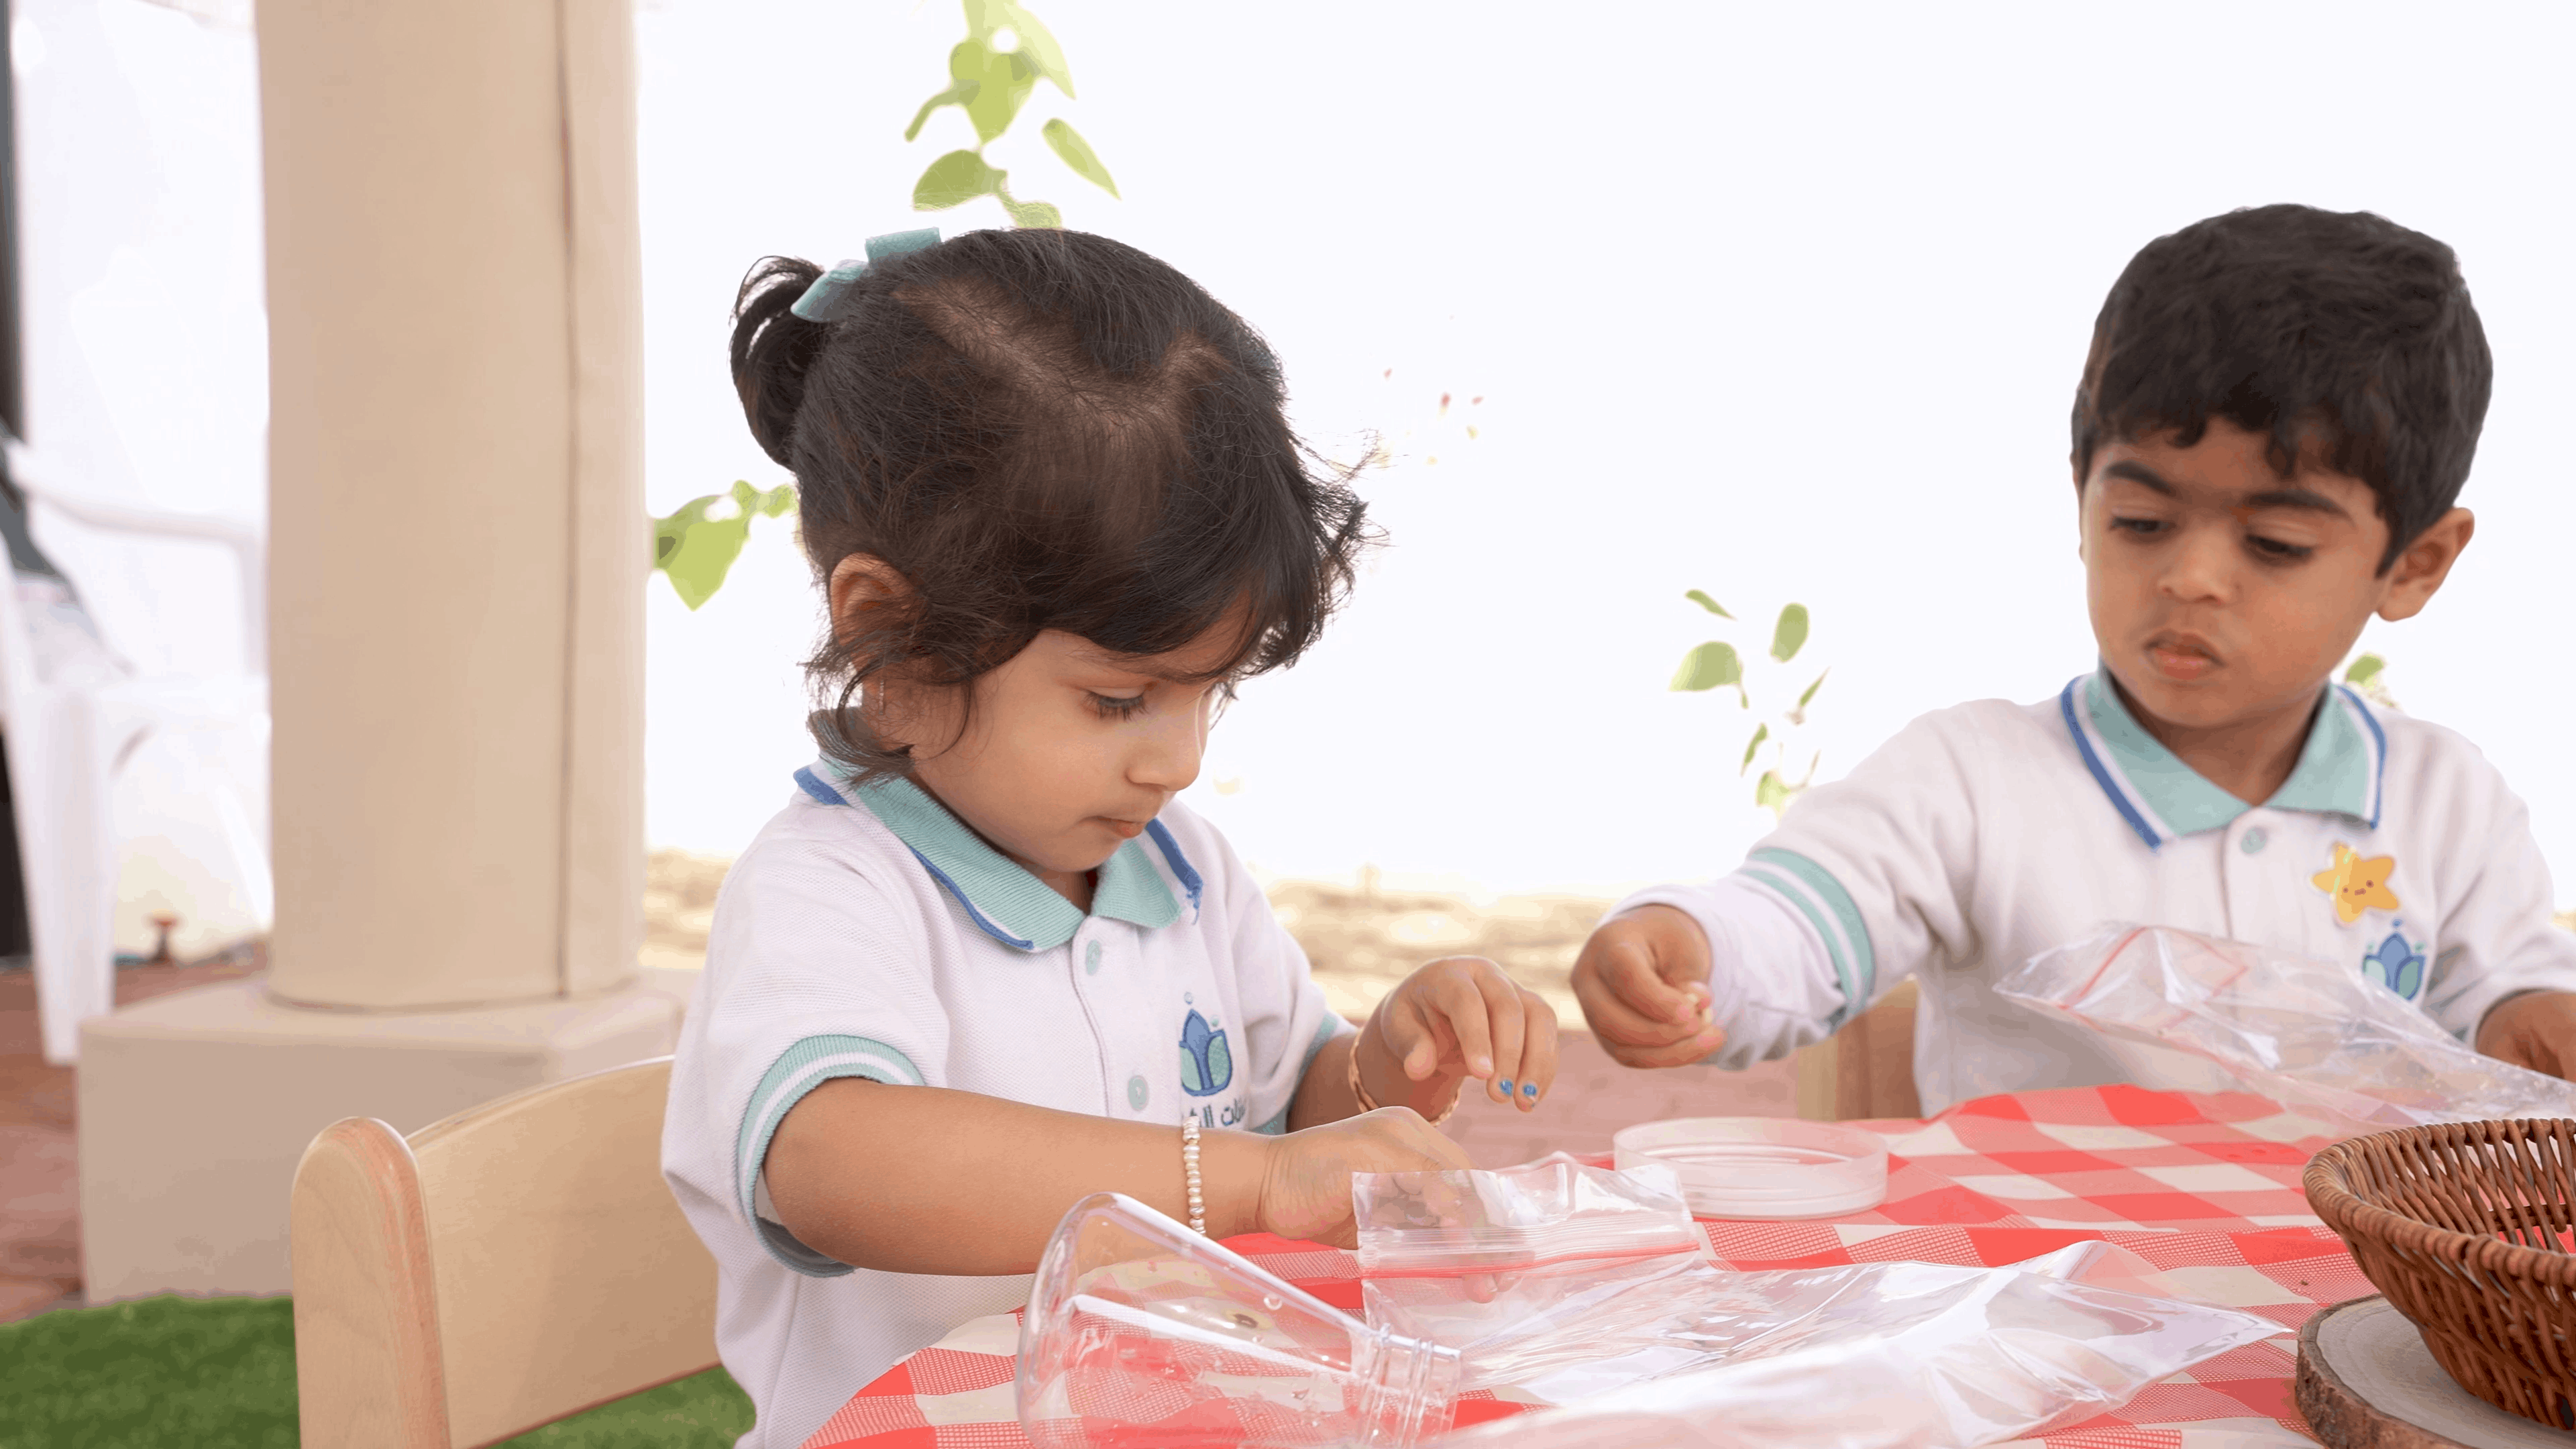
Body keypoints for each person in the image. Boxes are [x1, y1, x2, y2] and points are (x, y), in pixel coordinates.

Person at [661, 226, 1558, 1448]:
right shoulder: (835, 886)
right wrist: (1255, 1184)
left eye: (1210, 691)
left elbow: (1290, 1107)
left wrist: (1383, 1069)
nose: (1176, 759)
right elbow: (830, 1160)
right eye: (1119, 700)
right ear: (891, 636)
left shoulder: (1178, 872)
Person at [1572, 203, 2576, 1113]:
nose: (2191, 579)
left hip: (2361, 1267)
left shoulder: (2449, 804)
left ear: (2416, 564)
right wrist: (1691, 949)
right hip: (2044, 1264)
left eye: (2274, 544)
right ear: (2082, 499)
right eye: (2141, 520)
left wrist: (2531, 1018)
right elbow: (1799, 927)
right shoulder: (1971, 782)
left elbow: (2508, 1002)